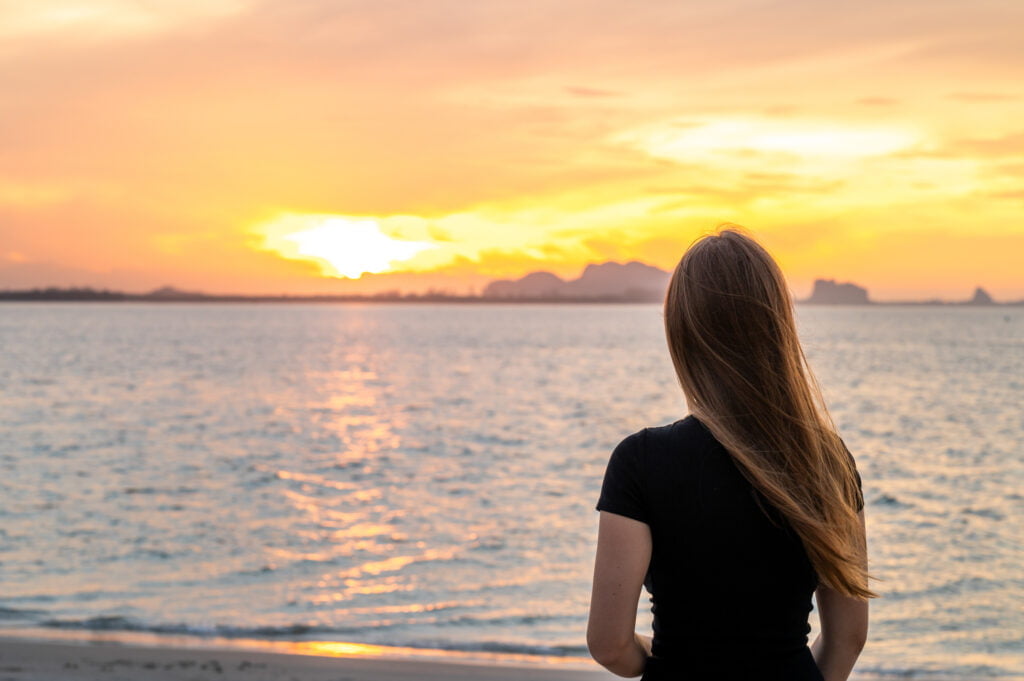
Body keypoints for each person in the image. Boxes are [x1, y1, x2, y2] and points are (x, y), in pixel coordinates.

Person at [587, 227, 874, 681]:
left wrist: (665, 660)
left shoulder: (640, 461)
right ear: (777, 325)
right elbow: (848, 639)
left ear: (681, 330)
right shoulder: (828, 460)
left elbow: (609, 644)